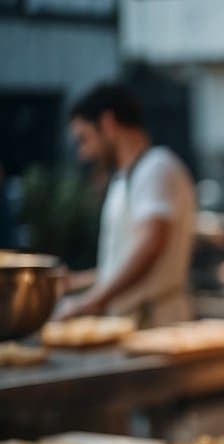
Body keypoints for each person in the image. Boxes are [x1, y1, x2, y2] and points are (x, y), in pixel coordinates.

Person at [57, 84, 196, 326]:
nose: (83, 152)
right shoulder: (125, 177)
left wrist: (91, 302)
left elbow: (150, 245)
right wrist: (76, 282)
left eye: (84, 139)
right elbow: (122, 262)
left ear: (108, 123)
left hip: (155, 325)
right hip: (132, 323)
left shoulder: (155, 167)